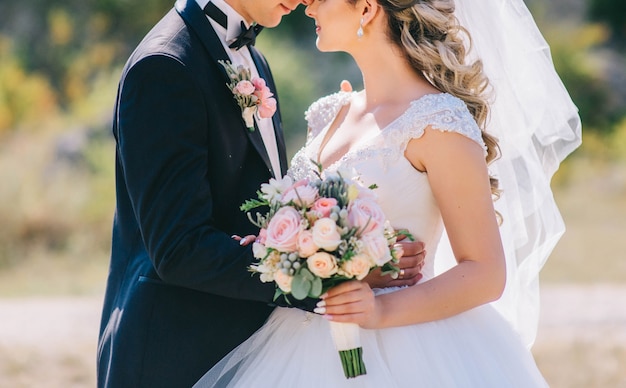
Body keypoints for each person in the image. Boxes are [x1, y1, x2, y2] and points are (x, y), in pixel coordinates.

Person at [193, 0, 582, 386]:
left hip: (408, 349)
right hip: (297, 342)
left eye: (322, 0)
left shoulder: (439, 122)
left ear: (366, 10)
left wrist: (379, 311)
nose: (308, 8)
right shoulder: (330, 113)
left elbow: (485, 273)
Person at [96, 0, 426, 386]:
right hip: (174, 357)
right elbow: (179, 248)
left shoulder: (253, 59)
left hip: (251, 352)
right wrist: (335, 277)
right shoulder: (164, 66)